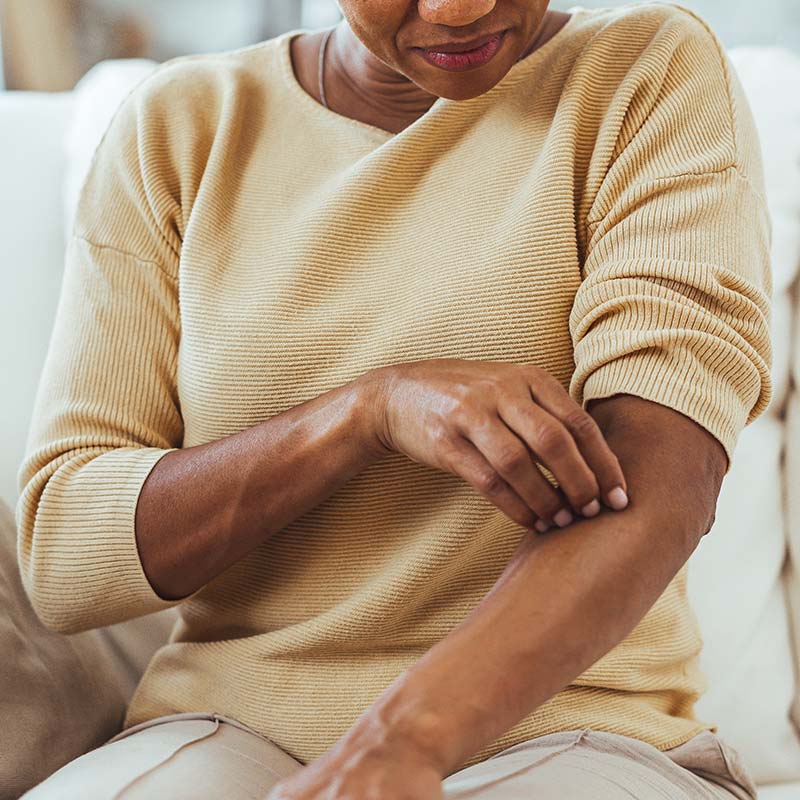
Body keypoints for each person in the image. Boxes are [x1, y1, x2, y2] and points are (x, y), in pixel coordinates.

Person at [16, 0, 770, 798]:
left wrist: (405, 738)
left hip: (577, 732)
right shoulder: (180, 124)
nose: (460, 8)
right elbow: (66, 559)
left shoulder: (645, 70)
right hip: (229, 728)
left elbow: (664, 483)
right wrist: (364, 414)